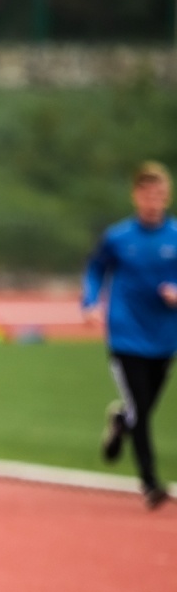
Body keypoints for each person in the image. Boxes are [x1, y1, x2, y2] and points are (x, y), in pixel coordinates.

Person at [83, 161, 177, 510]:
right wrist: (91, 303)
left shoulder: (175, 237)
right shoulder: (119, 237)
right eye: (147, 194)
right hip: (126, 335)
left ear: (166, 197)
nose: (153, 201)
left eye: (160, 195)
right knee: (140, 406)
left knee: (143, 411)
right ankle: (151, 483)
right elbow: (95, 268)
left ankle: (120, 422)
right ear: (136, 196)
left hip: (165, 337)